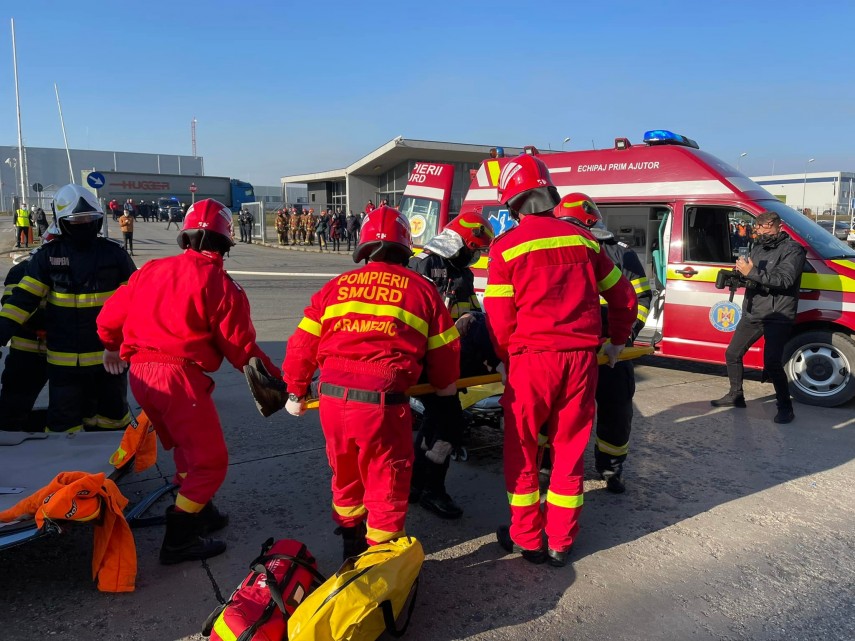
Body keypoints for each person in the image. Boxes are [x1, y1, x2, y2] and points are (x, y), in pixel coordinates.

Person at [97, 198, 280, 564]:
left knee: (186, 447)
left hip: (142, 378)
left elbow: (109, 317)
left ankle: (203, 510)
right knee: (211, 461)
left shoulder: (151, 269)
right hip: (178, 378)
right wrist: (282, 381)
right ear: (225, 243)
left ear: (184, 237)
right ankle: (179, 537)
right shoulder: (221, 285)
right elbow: (241, 350)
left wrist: (111, 346)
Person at [282, 205, 460, 560]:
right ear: (405, 246)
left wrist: (295, 390)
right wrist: (444, 387)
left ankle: (350, 543)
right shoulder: (422, 290)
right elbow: (445, 350)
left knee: (345, 475)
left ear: (363, 247)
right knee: (386, 481)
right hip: (382, 404)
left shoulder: (336, 287)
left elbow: (302, 344)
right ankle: (380, 559)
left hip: (332, 402)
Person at [483, 156, 636, 568]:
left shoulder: (505, 247)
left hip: (531, 361)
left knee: (523, 450)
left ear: (511, 203)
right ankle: (560, 542)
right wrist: (616, 344)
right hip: (582, 362)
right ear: (549, 193)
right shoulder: (584, 241)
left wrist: (503, 359)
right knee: (570, 451)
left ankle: (527, 538)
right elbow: (623, 297)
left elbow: (498, 317)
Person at [0, 184, 136, 433]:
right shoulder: (47, 257)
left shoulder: (115, 255)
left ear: (98, 220)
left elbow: (138, 302)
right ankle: (66, 467)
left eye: (89, 219)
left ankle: (114, 459)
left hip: (109, 357)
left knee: (112, 415)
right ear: (62, 223)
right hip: (64, 361)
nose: (83, 225)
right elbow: (22, 301)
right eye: (76, 220)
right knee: (64, 420)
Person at [556, 193, 651, 493]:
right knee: (559, 412)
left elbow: (641, 298)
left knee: (617, 410)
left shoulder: (620, 253)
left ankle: (611, 467)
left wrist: (626, 338)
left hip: (612, 348)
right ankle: (548, 464)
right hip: (570, 348)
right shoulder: (556, 251)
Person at [407, 209, 495, 518]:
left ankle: (418, 485)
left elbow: (472, 313)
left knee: (440, 421)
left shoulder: (463, 274)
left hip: (450, 357)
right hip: (425, 360)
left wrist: (473, 322)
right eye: (474, 249)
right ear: (460, 244)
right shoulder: (423, 266)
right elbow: (412, 321)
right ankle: (430, 489)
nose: (475, 257)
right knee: (447, 424)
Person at [710, 211, 806, 424]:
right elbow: (756, 279)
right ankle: (736, 395)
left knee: (772, 362)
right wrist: (738, 277)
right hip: (754, 310)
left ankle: (785, 408)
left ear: (774, 226)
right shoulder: (759, 247)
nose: (758, 232)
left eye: (761, 229)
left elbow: (784, 280)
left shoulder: (793, 250)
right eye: (757, 229)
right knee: (732, 353)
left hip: (778, 313)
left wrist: (750, 272)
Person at [0, 242, 51, 430]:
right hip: (27, 351)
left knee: (68, 406)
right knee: (14, 405)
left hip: (64, 353)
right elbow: (11, 305)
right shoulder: (21, 271)